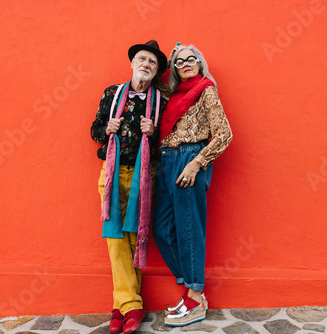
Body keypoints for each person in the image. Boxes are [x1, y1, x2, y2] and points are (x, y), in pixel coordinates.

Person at [91, 40, 168, 334]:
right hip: (110, 174)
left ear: (157, 70)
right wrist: (105, 129)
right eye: (142, 59)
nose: (146, 64)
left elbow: (170, 142)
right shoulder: (113, 94)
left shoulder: (161, 100)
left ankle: (121, 304)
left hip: (143, 177)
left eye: (152, 62)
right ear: (132, 62)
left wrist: (155, 131)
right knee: (115, 239)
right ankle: (130, 304)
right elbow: (95, 129)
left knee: (134, 238)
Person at [152, 44, 233, 327]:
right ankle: (191, 287)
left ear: (200, 62)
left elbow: (224, 134)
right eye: (179, 61)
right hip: (167, 161)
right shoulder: (173, 95)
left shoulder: (206, 90)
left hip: (189, 159)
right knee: (162, 229)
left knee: (189, 229)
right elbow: (152, 72)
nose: (186, 63)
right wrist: (170, 54)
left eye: (191, 58)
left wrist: (197, 163)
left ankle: (196, 296)